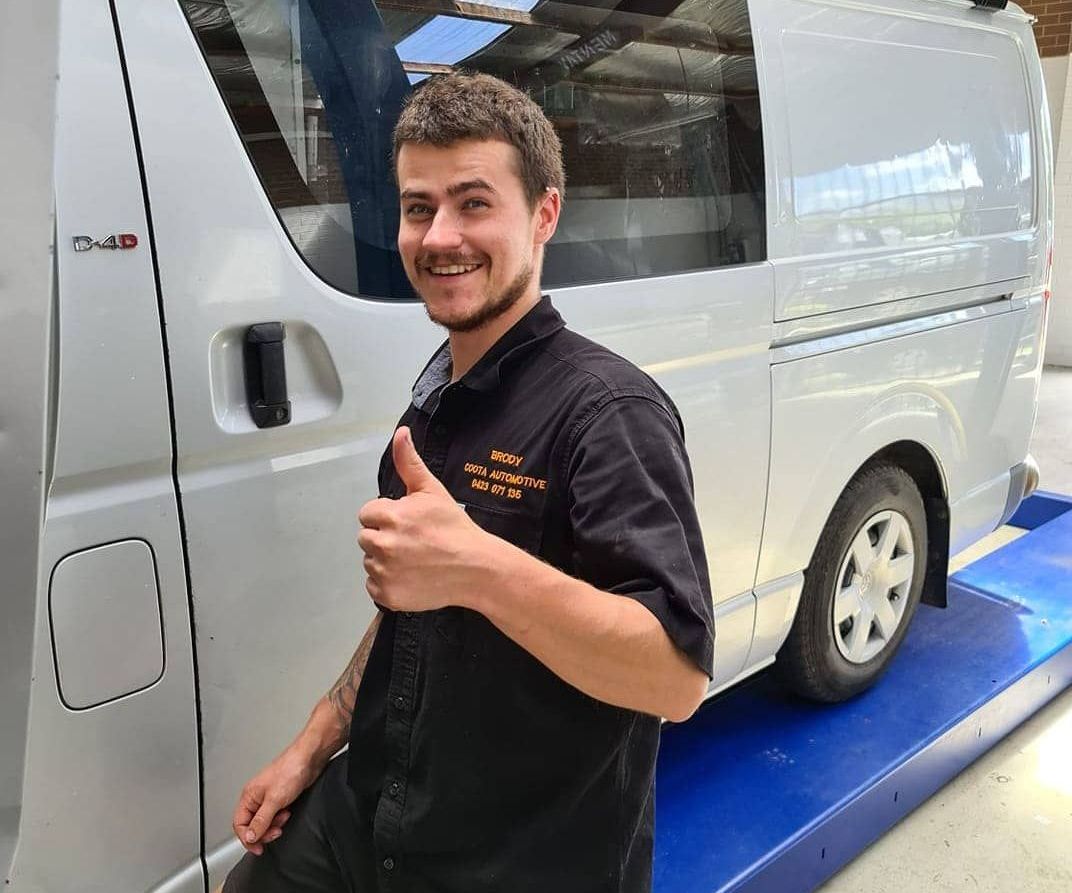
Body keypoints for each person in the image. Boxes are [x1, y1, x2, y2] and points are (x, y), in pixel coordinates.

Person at [222, 71, 714, 893]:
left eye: (474, 203)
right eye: (419, 208)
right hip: (372, 818)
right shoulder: (433, 399)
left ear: (544, 214)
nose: (440, 235)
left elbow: (676, 676)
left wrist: (477, 568)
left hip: (516, 862)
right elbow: (411, 611)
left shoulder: (608, 412)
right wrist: (312, 743)